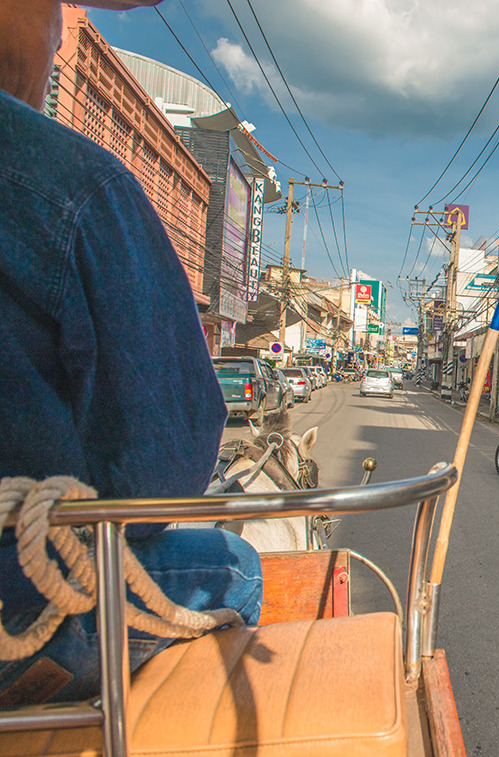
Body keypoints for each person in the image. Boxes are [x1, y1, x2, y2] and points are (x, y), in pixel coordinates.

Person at [0, 0, 261, 705]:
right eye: (50, 13)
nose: (57, 42)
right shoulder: (77, 187)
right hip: (20, 602)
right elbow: (160, 481)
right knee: (236, 563)